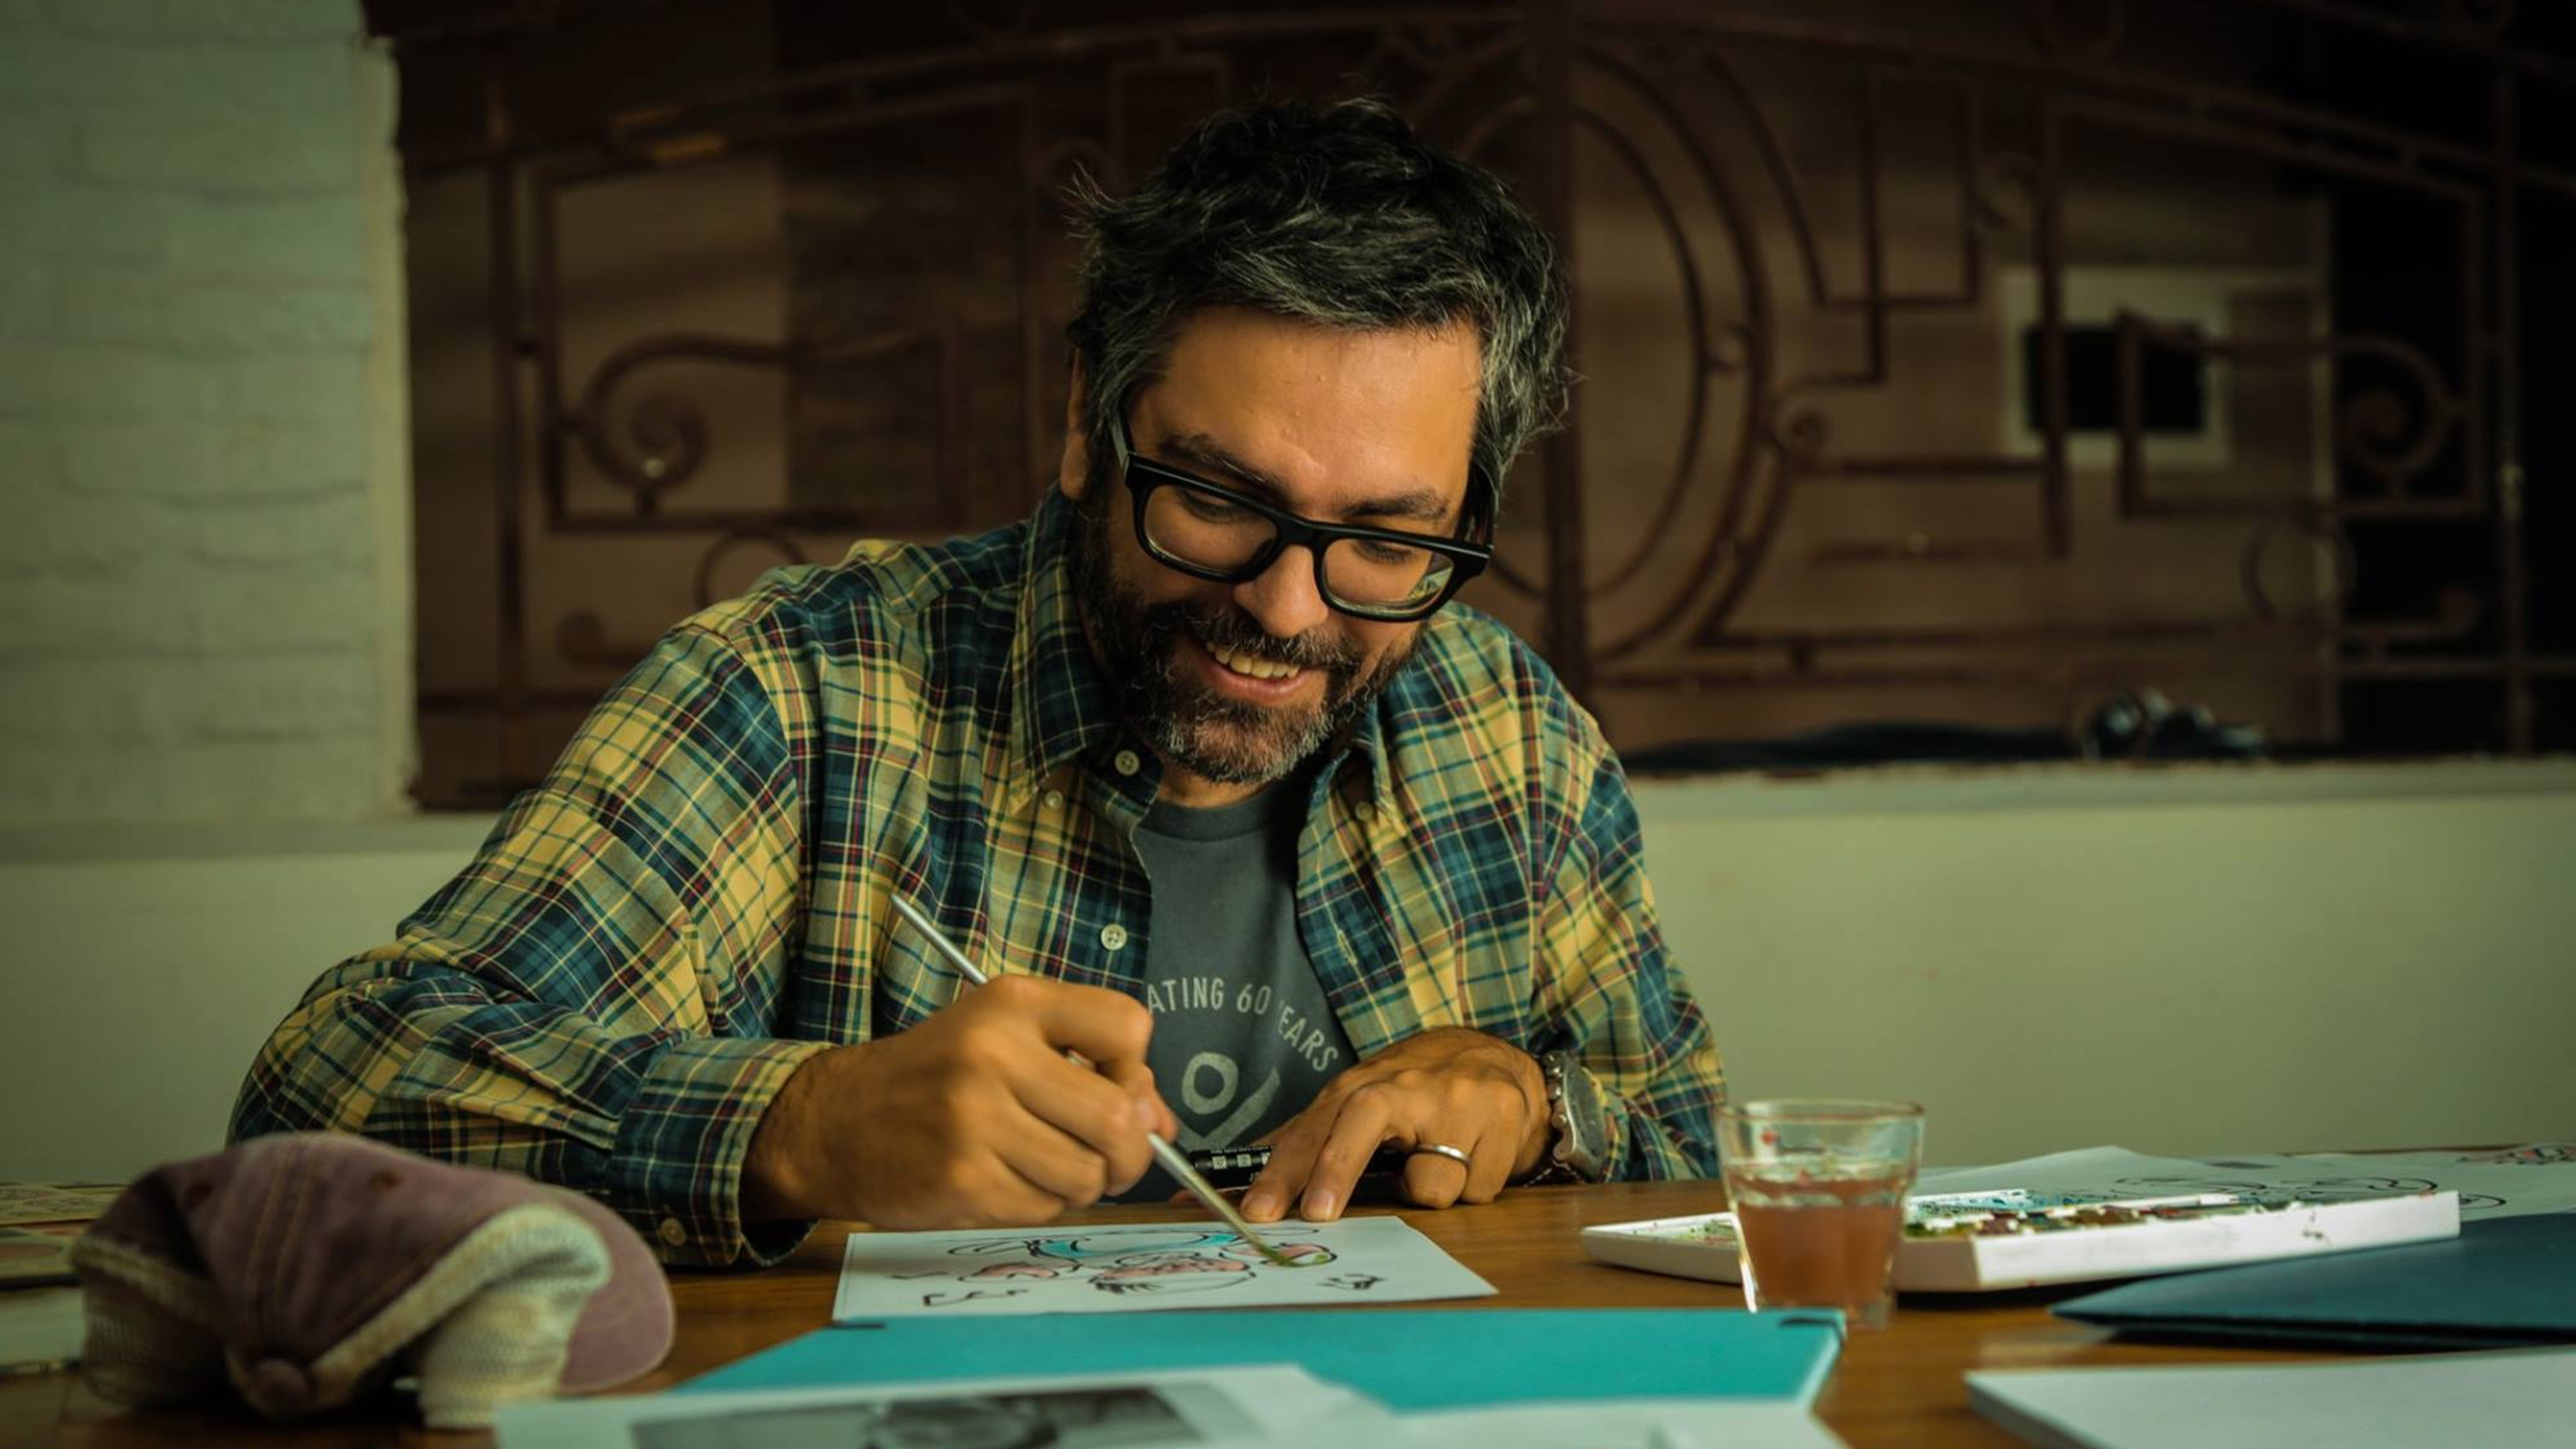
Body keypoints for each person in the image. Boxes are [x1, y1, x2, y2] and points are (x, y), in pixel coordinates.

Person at [229, 98, 1724, 1267]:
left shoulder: (1508, 736)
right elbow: (324, 1096)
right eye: (1217, 500)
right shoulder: (805, 696)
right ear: (1085, 422)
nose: (1285, 608)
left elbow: (1702, 1151)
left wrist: (1542, 1108)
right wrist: (802, 1128)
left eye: (1388, 541)